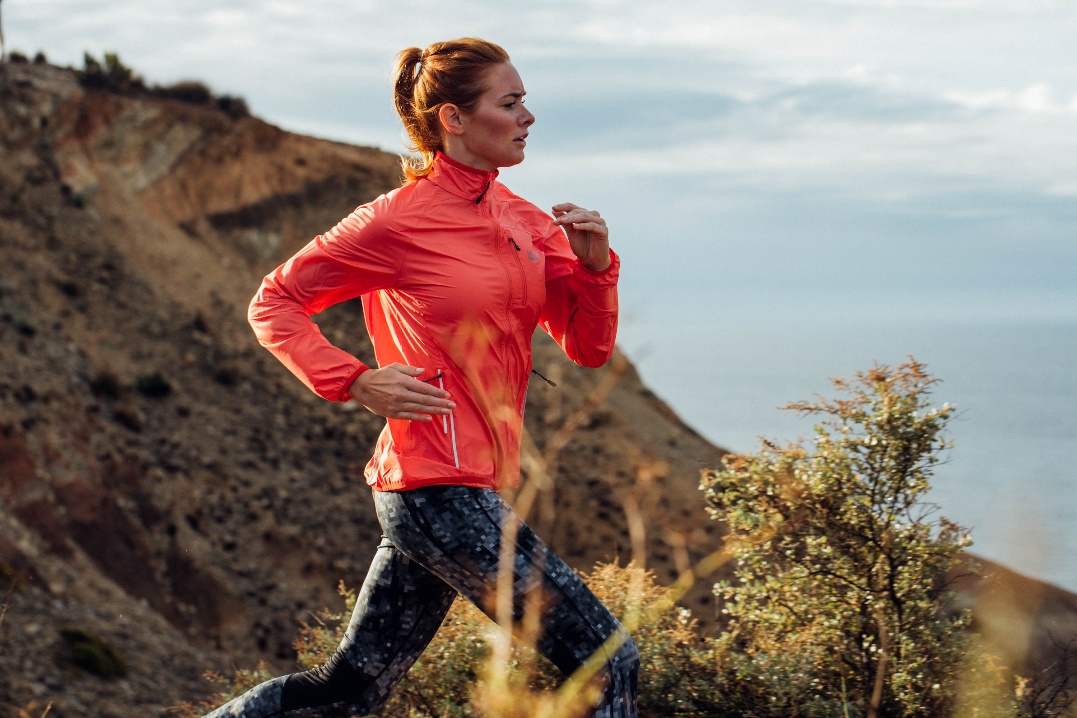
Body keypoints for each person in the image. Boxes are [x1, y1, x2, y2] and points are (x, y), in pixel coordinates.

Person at [203, 37, 638, 718]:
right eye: (511, 102)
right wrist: (352, 379)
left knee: (346, 694)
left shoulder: (526, 221)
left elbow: (586, 347)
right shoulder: (396, 220)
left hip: (466, 489)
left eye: (524, 101)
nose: (528, 116)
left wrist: (595, 269)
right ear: (453, 119)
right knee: (609, 662)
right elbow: (274, 301)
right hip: (436, 487)